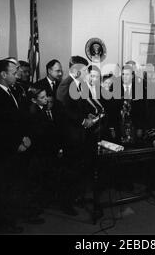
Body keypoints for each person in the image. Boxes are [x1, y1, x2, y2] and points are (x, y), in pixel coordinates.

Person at [0, 59, 39, 233]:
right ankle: (3, 225)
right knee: (3, 188)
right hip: (4, 150)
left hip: (17, 145)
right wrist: (17, 143)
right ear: (3, 74)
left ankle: (11, 219)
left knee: (13, 187)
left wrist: (26, 137)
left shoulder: (12, 91)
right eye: (14, 73)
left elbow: (19, 118)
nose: (18, 75)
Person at [56, 56, 94, 216]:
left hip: (78, 135)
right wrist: (83, 120)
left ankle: (74, 197)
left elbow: (81, 106)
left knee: (76, 169)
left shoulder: (79, 84)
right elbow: (64, 110)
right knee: (69, 170)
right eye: (84, 70)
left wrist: (89, 114)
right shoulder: (66, 84)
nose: (86, 73)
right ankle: (66, 203)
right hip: (70, 136)